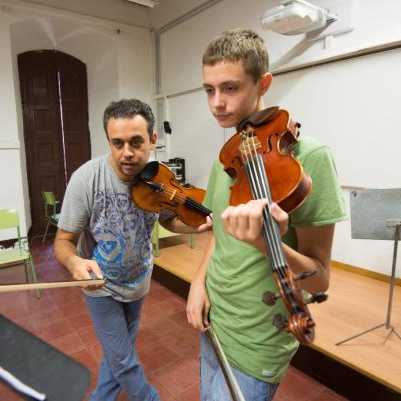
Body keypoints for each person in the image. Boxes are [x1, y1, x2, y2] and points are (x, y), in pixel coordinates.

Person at [186, 28, 347, 401]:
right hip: (215, 317)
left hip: (258, 336)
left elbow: (318, 280)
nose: (216, 103)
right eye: (209, 90)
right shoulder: (226, 158)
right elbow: (219, 235)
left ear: (264, 83)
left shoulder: (309, 158)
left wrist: (266, 243)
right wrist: (198, 283)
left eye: (230, 88)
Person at [54, 98, 209, 401]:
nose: (127, 153)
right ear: (109, 142)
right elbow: (63, 242)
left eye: (136, 142)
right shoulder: (86, 179)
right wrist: (74, 263)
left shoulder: (159, 177)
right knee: (124, 360)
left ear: (153, 139)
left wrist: (198, 226)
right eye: (117, 143)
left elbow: (169, 220)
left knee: (117, 355)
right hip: (101, 285)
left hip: (139, 281)